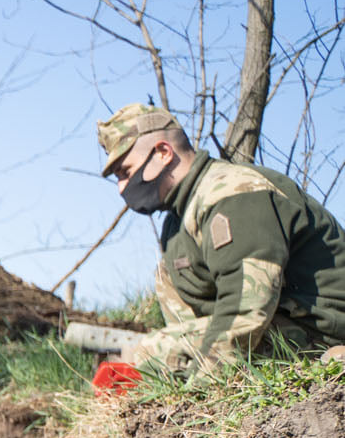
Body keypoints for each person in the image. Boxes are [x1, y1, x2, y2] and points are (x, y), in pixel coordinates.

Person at [97, 103, 345, 373]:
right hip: (277, 329)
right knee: (157, 352)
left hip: (323, 332)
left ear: (163, 153)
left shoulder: (233, 193)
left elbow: (245, 311)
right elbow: (192, 325)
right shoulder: (177, 224)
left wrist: (200, 386)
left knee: (157, 349)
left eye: (126, 172)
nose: (122, 187)